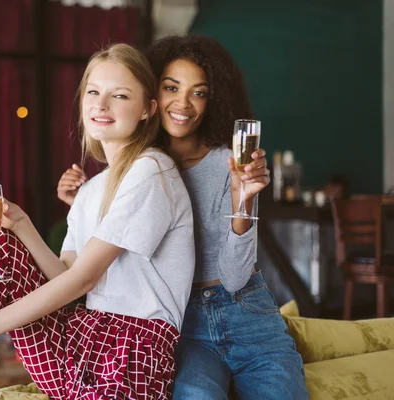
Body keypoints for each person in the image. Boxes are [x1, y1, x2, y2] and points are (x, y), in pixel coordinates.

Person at [0, 43, 196, 400]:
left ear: (148, 109)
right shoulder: (91, 190)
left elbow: (84, 277)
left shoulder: (152, 169)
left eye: (119, 95)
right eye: (93, 92)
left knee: (0, 263)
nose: (100, 105)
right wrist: (21, 223)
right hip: (75, 340)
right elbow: (66, 276)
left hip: (131, 351)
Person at [57, 35, 309, 400]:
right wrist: (81, 204)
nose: (184, 103)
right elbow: (118, 255)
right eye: (172, 87)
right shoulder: (138, 171)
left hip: (247, 313)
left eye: (199, 92)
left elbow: (236, 277)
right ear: (151, 97)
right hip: (182, 325)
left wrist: (244, 201)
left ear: (214, 100)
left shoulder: (230, 165)